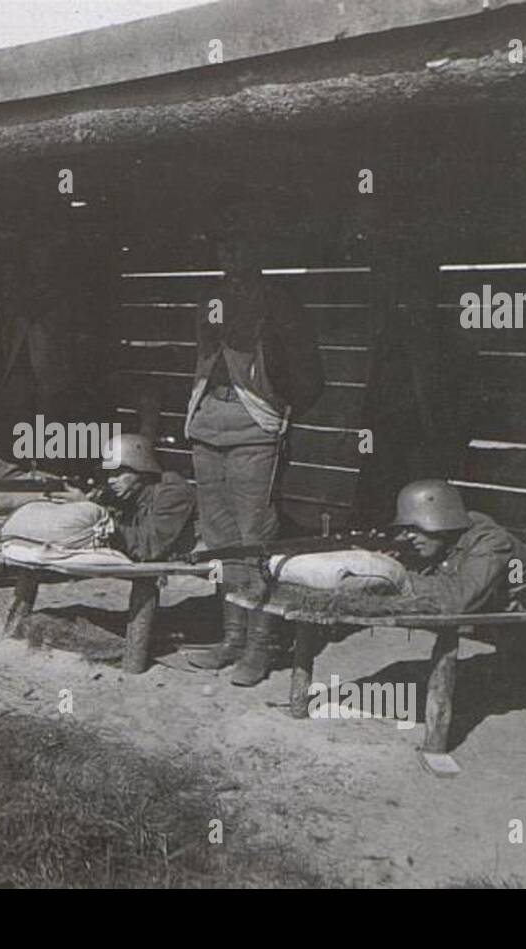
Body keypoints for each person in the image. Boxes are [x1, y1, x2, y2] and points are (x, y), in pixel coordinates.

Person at [184, 208, 325, 686]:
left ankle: (260, 647)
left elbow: (308, 373)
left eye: (241, 244)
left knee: (255, 538)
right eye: (224, 245)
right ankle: (230, 638)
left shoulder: (279, 303)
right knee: (220, 537)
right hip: (207, 424)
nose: (231, 254)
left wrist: (280, 407)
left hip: (254, 428)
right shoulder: (210, 300)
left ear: (261, 251)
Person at [391, 479, 526, 614]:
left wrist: (396, 576)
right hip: (509, 611)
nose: (409, 536)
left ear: (440, 520)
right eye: (407, 529)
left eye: (416, 528)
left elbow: (460, 600)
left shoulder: (491, 542)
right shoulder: (447, 542)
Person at [100, 434, 196, 561]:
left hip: (202, 567)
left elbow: (148, 547)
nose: (110, 480)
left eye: (118, 473)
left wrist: (106, 525)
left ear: (142, 471)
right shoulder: (134, 495)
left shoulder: (172, 493)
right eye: (109, 474)